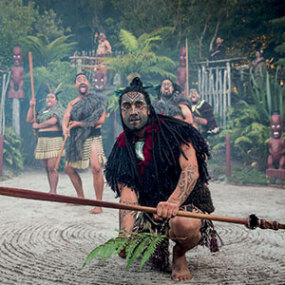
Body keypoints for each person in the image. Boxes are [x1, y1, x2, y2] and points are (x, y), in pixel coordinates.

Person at [105, 77, 220, 282]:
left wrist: (173, 202)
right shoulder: (122, 147)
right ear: (120, 112)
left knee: (182, 225)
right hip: (152, 210)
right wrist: (124, 234)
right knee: (127, 248)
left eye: (138, 105)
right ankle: (154, 240)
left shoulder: (174, 131)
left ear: (149, 109)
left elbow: (191, 170)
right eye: (126, 106)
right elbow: (128, 193)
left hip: (187, 204)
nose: (133, 111)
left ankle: (179, 253)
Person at [63, 73, 107, 214]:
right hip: (77, 138)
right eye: (78, 80)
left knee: (96, 168)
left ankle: (98, 204)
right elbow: (66, 118)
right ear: (75, 86)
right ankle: (80, 197)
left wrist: (79, 123)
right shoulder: (72, 103)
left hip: (93, 136)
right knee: (69, 168)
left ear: (88, 84)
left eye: (84, 79)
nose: (81, 81)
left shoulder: (97, 100)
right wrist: (65, 128)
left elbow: (100, 121)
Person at [26, 85, 65, 194]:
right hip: (42, 141)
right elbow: (29, 120)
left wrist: (38, 126)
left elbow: (53, 121)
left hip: (54, 140)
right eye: (48, 97)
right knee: (47, 168)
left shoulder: (59, 109)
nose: (49, 99)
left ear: (56, 100)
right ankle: (51, 190)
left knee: (52, 167)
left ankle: (53, 191)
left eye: (52, 97)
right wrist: (31, 106)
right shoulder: (43, 111)